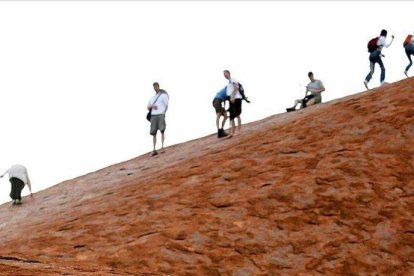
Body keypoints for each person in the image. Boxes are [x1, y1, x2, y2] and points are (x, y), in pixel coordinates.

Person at [147, 82, 169, 156]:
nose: (155, 88)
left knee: (162, 130)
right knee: (154, 133)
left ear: (158, 86)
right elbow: (148, 106)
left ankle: (162, 147)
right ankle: (154, 149)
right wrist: (152, 106)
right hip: (153, 115)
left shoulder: (163, 95)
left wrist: (163, 113)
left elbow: (166, 105)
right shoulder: (152, 98)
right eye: (154, 87)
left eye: (156, 86)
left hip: (160, 114)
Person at [224, 70, 242, 137]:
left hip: (236, 98)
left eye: (225, 73)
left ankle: (238, 131)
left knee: (237, 115)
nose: (224, 75)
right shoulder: (229, 82)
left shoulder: (233, 79)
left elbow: (235, 87)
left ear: (228, 73)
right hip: (232, 99)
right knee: (232, 116)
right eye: (223, 74)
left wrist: (233, 97)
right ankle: (232, 132)